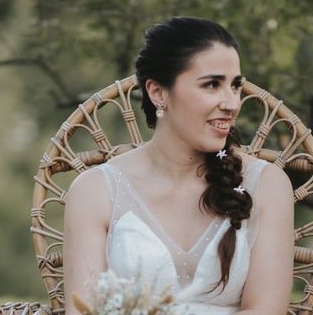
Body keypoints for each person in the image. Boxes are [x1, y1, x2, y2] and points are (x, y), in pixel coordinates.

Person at [63, 17, 295, 315]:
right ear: (158, 92)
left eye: (235, 86)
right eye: (212, 85)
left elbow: (267, 310)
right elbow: (84, 310)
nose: (232, 103)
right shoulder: (95, 190)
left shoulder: (267, 185)